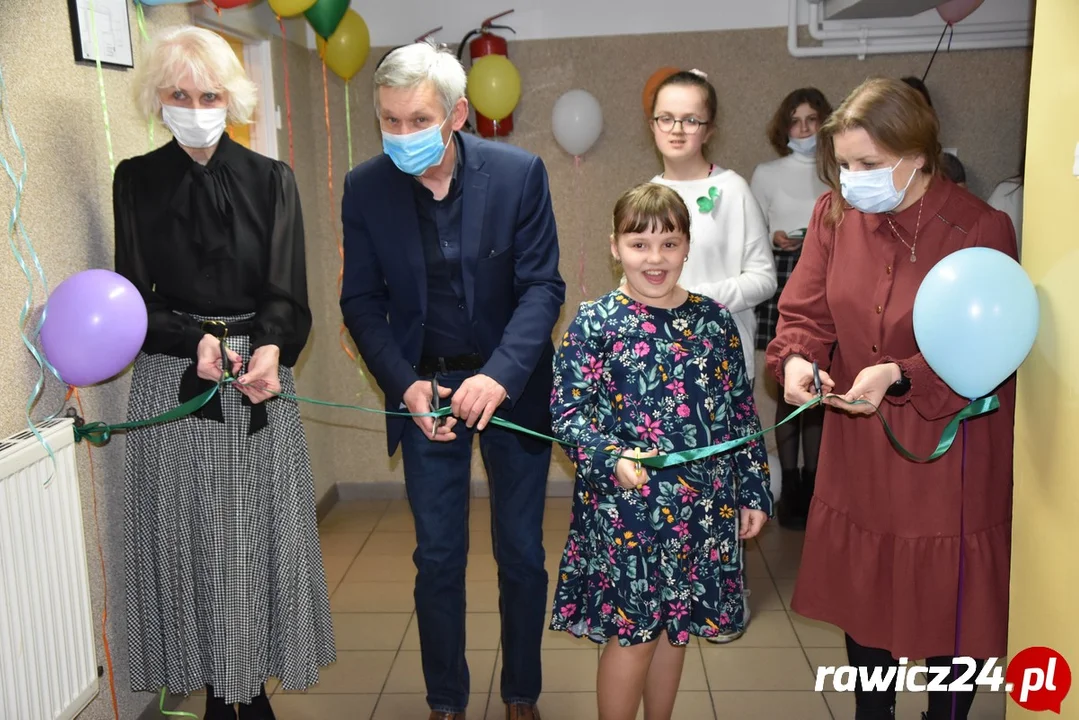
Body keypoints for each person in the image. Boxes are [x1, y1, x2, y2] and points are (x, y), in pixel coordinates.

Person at [766, 77, 1016, 720]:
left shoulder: (979, 227)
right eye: (845, 165)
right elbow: (807, 314)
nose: (853, 181)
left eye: (869, 165)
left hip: (947, 453)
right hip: (861, 443)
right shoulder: (834, 215)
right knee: (866, 593)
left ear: (918, 154)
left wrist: (900, 375)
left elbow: (986, 348)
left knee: (946, 606)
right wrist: (796, 360)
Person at [339, 41, 565, 720]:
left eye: (418, 120)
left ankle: (521, 692)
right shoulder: (365, 187)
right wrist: (403, 384)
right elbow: (361, 302)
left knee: (521, 553)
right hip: (426, 392)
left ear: (458, 114)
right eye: (390, 120)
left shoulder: (519, 173)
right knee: (437, 557)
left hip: (510, 388)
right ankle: (445, 701)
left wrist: (497, 377)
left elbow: (541, 288)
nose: (402, 134)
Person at [114, 26, 334, 719]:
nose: (195, 108)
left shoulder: (272, 180)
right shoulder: (135, 180)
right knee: (189, 544)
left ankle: (249, 690)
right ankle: (214, 691)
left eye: (208, 95)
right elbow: (134, 298)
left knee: (252, 544)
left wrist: (269, 348)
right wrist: (194, 341)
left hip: (255, 379)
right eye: (179, 95)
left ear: (232, 100)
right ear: (158, 99)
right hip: (174, 377)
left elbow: (287, 295)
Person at [549, 182, 771, 720]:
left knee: (677, 629)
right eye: (639, 244)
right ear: (615, 247)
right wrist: (610, 458)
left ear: (687, 246)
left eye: (669, 244)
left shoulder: (714, 321)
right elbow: (567, 416)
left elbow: (741, 412)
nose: (655, 259)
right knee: (634, 635)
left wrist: (754, 490)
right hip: (628, 510)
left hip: (702, 508)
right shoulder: (595, 322)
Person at [646, 70, 775, 645]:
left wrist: (698, 300)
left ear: (709, 127)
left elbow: (763, 277)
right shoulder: (647, 194)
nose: (677, 129)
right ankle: (670, 598)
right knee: (670, 491)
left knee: (721, 491)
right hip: (660, 375)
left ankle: (724, 601)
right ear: (652, 124)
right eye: (666, 118)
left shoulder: (734, 190)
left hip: (720, 369)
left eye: (690, 119)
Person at [749, 87, 832, 530]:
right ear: (784, 128)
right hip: (782, 275)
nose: (804, 129)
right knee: (788, 381)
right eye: (795, 121)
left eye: (812, 120)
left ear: (825, 124)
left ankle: (816, 485)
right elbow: (753, 234)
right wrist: (775, 238)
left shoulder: (836, 171)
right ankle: (793, 486)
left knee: (818, 385)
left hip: (828, 276)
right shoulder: (766, 173)